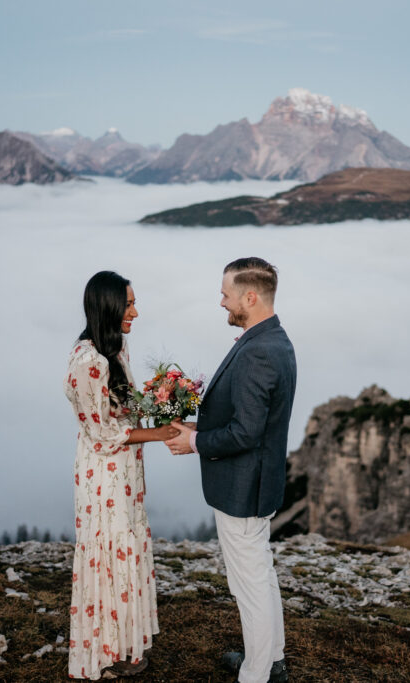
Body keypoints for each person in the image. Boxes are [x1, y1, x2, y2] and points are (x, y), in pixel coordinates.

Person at [166, 257, 297, 683]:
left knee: (249, 585)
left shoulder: (260, 351)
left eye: (226, 294)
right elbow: (245, 415)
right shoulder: (269, 338)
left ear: (250, 296)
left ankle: (256, 674)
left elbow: (245, 432)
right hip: (256, 483)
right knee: (260, 575)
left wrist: (195, 442)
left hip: (244, 488)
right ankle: (271, 657)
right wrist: (198, 425)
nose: (221, 302)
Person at [65, 270, 178, 680]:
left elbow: (125, 405)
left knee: (125, 550)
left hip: (126, 470)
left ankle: (126, 643)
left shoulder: (115, 349)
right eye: (128, 304)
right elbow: (102, 432)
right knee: (108, 552)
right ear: (108, 307)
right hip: (103, 473)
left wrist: (167, 398)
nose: (135, 311)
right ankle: (104, 650)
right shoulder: (88, 362)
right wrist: (160, 432)